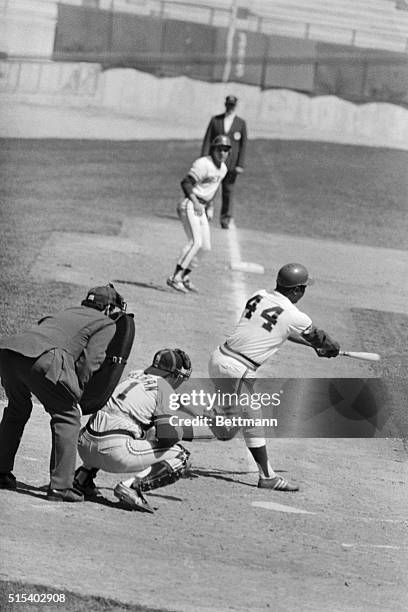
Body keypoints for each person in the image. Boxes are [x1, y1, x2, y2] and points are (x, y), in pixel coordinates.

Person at [207, 263, 340, 491]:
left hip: (219, 359)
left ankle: (266, 474)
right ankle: (172, 425)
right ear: (297, 290)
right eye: (303, 288)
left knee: (237, 425)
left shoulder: (259, 295)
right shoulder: (294, 314)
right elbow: (321, 338)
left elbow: (280, 330)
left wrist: (311, 346)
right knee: (237, 426)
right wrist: (332, 348)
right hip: (237, 369)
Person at [0, 284, 127, 502]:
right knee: (67, 417)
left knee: (17, 408)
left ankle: (0, 471)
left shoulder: (67, 311)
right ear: (107, 309)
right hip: (43, 358)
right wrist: (77, 393)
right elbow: (90, 361)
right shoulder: (105, 322)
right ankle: (61, 486)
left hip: (9, 353)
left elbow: (44, 328)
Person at [74, 348, 192, 513]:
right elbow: (168, 437)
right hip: (115, 453)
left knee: (133, 426)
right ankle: (132, 486)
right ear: (174, 375)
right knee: (181, 456)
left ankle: (82, 477)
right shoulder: (164, 388)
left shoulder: (134, 375)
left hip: (84, 445)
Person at [167, 135, 231, 294]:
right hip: (190, 204)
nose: (223, 153)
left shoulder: (223, 169)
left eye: (226, 150)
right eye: (220, 149)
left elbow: (212, 190)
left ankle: (184, 277)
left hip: (201, 207)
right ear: (214, 149)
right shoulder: (203, 164)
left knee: (205, 247)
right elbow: (186, 183)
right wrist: (195, 202)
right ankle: (175, 277)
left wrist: (210, 206)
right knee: (196, 242)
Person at [201, 95, 247, 229]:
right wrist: (204, 158)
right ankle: (205, 210)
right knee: (210, 187)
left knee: (228, 191)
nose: (230, 108)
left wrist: (240, 164)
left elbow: (243, 145)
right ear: (225, 105)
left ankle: (226, 218)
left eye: (232, 105)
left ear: (235, 106)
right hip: (214, 163)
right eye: (228, 105)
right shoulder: (216, 120)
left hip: (231, 164)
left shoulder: (240, 123)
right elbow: (207, 140)